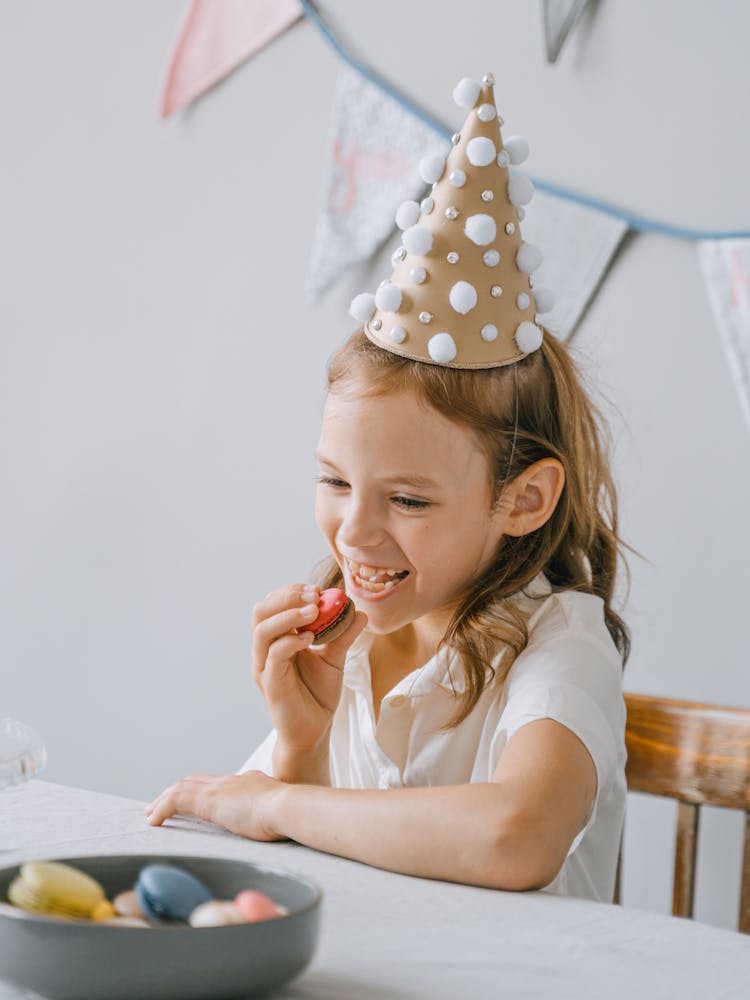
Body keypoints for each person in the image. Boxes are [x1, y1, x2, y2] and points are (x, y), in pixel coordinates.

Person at [146, 74, 630, 904]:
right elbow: (299, 881)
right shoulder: (349, 646)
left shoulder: (562, 645)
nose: (353, 535)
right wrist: (299, 744)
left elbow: (517, 839)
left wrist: (279, 797)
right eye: (335, 481)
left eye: (408, 500)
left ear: (525, 500)